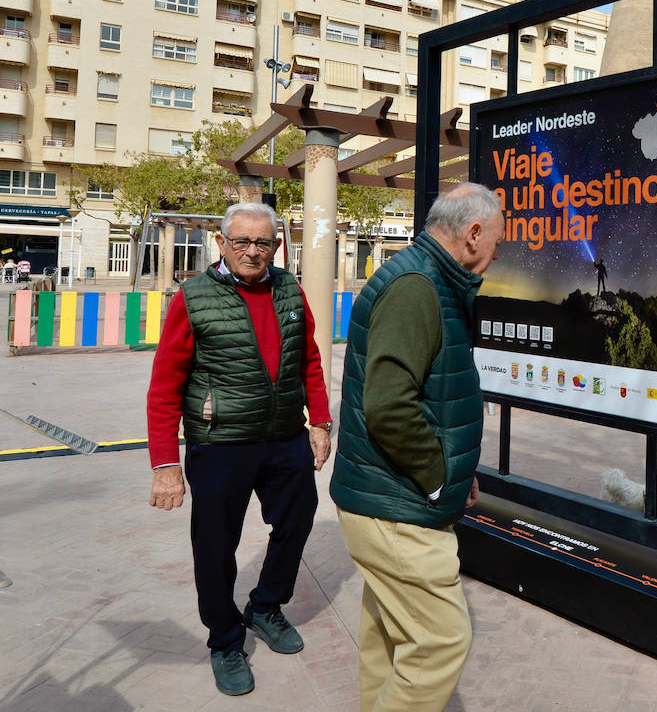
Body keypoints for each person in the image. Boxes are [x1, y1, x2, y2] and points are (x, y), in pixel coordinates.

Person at [145, 202, 331, 697]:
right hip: (220, 443)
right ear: (222, 244)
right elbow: (165, 385)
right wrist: (165, 464)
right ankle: (224, 638)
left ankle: (266, 605)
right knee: (215, 547)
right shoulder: (194, 297)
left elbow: (308, 359)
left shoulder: (290, 289)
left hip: (285, 436)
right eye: (242, 241)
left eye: (263, 242)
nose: (253, 250)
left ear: (277, 245)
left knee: (297, 521)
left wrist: (321, 421)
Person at [330, 184, 504, 711]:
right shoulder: (416, 287)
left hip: (388, 497)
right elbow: (389, 407)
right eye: (496, 243)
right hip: (398, 505)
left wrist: (456, 469)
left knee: (388, 634)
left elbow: (428, 397)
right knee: (440, 640)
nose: (496, 256)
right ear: (473, 234)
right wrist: (438, 476)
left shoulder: (424, 278)